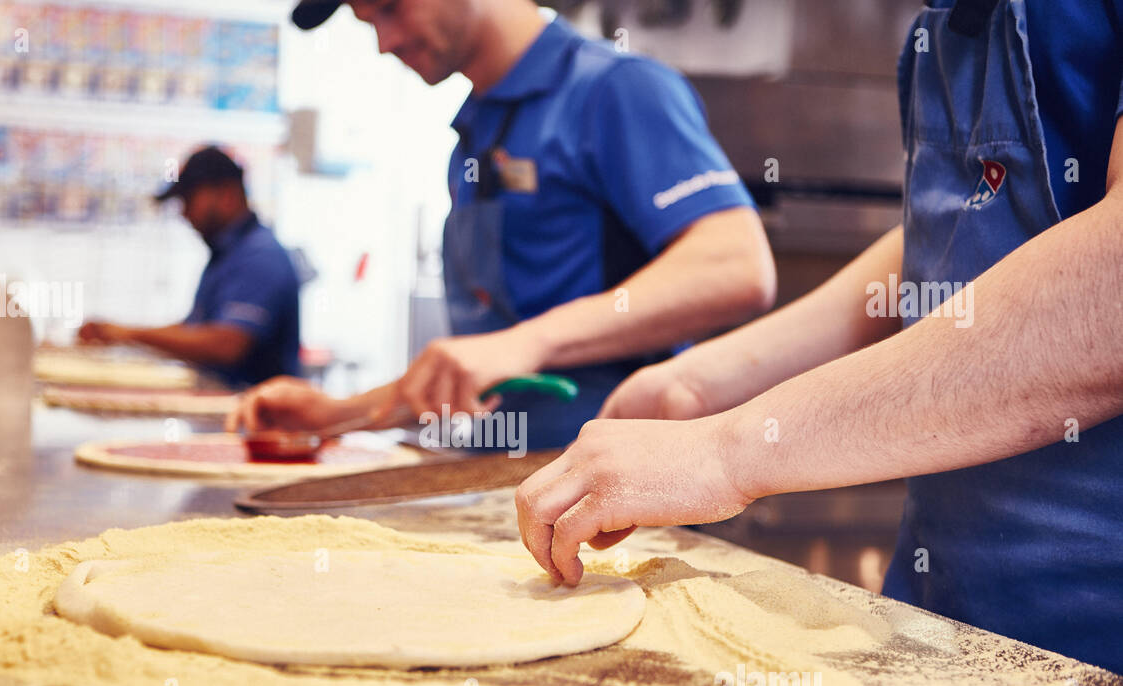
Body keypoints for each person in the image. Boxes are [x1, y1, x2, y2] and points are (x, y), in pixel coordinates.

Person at [516, 0, 1123, 673]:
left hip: (1096, 641)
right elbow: (952, 240)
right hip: (938, 606)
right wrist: (705, 382)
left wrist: (723, 454)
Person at [227, 0, 775, 449]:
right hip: (502, 487)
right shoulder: (474, 134)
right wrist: (335, 415)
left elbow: (735, 266)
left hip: (618, 499)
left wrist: (529, 343)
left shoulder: (616, 90)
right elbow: (483, 365)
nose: (383, 43)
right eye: (368, 22)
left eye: (390, 8)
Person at [79, 146, 301, 389]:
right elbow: (193, 329)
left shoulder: (260, 256)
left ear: (227, 195)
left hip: (254, 408)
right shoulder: (228, 253)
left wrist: (128, 334)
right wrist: (119, 333)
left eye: (188, 200)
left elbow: (226, 344)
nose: (184, 214)